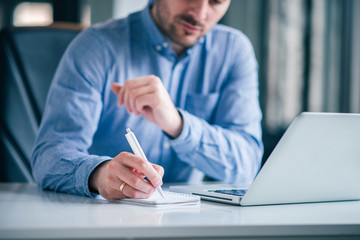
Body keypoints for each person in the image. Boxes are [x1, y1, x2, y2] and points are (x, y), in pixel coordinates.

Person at [31, 0, 263, 200]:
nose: (200, 14)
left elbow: (247, 166)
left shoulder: (233, 51)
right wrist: (100, 174)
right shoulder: (95, 46)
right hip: (105, 217)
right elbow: (48, 157)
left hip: (189, 220)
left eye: (216, 1)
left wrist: (178, 125)